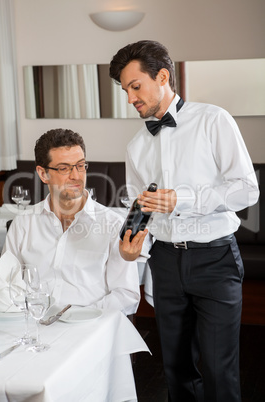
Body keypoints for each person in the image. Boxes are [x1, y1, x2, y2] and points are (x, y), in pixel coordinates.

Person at [109, 40, 259, 402]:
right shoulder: (135, 146)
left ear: (162, 76)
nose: (130, 98)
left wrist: (185, 199)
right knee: (175, 368)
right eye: (125, 90)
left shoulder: (214, 119)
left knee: (219, 368)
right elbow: (139, 205)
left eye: (135, 86)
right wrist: (134, 245)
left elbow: (247, 191)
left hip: (215, 260)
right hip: (165, 262)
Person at [2, 128, 140, 315]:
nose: (76, 175)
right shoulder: (23, 224)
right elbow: (5, 284)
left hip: (93, 328)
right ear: (43, 174)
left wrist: (77, 317)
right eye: (64, 168)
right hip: (37, 327)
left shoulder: (113, 225)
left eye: (80, 165)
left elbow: (126, 296)